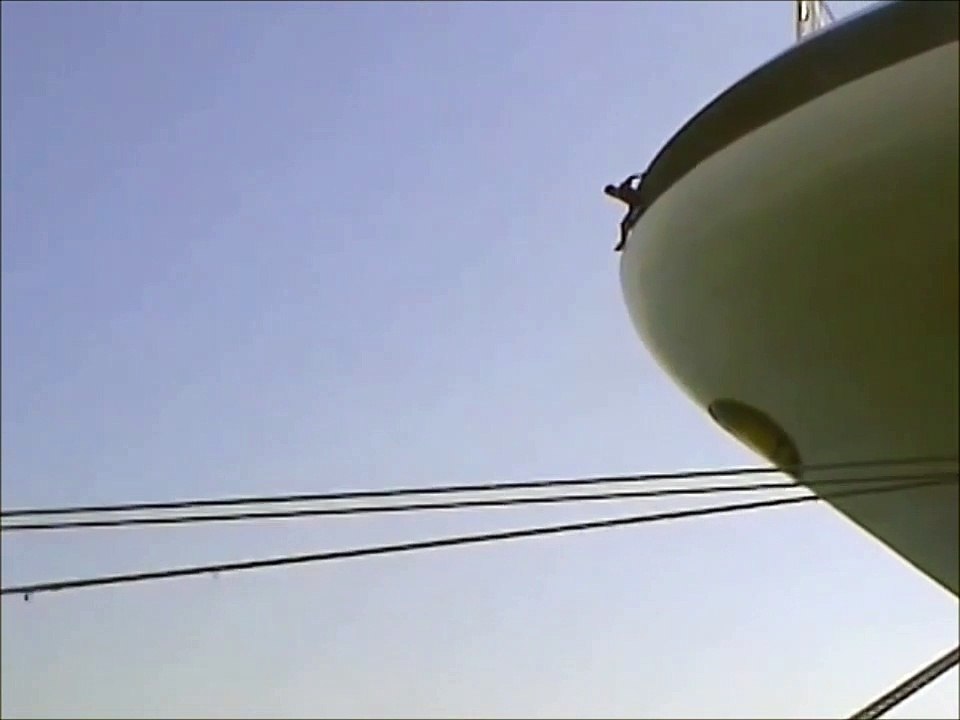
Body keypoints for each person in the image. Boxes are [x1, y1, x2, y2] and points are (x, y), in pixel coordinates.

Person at [604, 173, 647, 252]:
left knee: (629, 223)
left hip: (638, 205)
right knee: (623, 225)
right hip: (634, 206)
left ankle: (623, 242)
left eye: (611, 193)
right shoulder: (619, 193)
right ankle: (623, 242)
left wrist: (640, 176)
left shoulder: (622, 188)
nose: (612, 195)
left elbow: (630, 178)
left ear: (613, 189)